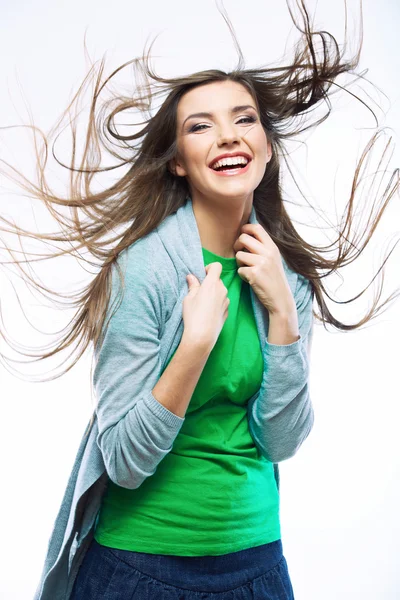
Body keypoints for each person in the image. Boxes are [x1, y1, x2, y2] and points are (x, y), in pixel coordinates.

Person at [0, 1, 398, 599]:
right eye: (200, 125)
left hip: (258, 563)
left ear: (265, 149)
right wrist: (194, 346)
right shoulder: (143, 272)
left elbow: (281, 440)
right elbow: (124, 459)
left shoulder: (283, 277)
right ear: (180, 163)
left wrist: (285, 321)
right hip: (138, 568)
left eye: (245, 120)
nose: (228, 135)